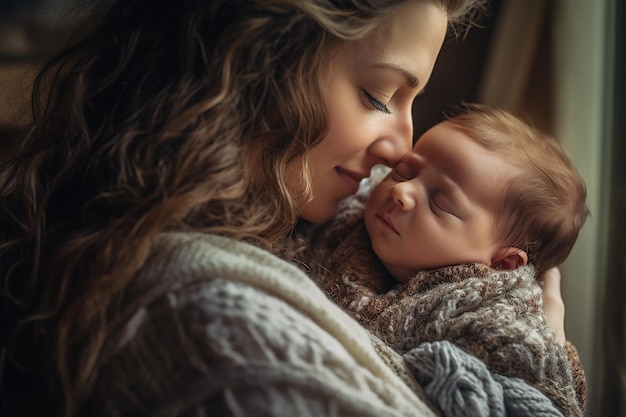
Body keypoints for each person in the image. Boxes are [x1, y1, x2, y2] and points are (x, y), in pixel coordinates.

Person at [0, 1, 569, 416]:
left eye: (408, 102)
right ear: (259, 61)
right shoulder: (211, 311)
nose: (401, 145)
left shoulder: (274, 227)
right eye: (378, 95)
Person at [302, 103, 588, 416]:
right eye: (404, 171)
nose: (402, 192)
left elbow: (548, 400)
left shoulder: (494, 317)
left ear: (502, 265)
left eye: (440, 203)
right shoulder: (348, 210)